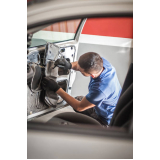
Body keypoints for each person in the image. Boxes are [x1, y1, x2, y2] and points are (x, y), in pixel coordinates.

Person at [42, 52, 122, 126]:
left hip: (105, 120)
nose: (77, 69)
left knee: (77, 105)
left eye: (81, 71)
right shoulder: (101, 62)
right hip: (109, 105)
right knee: (77, 99)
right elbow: (79, 65)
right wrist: (69, 65)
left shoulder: (100, 90)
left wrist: (56, 88)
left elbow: (79, 107)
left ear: (92, 75)